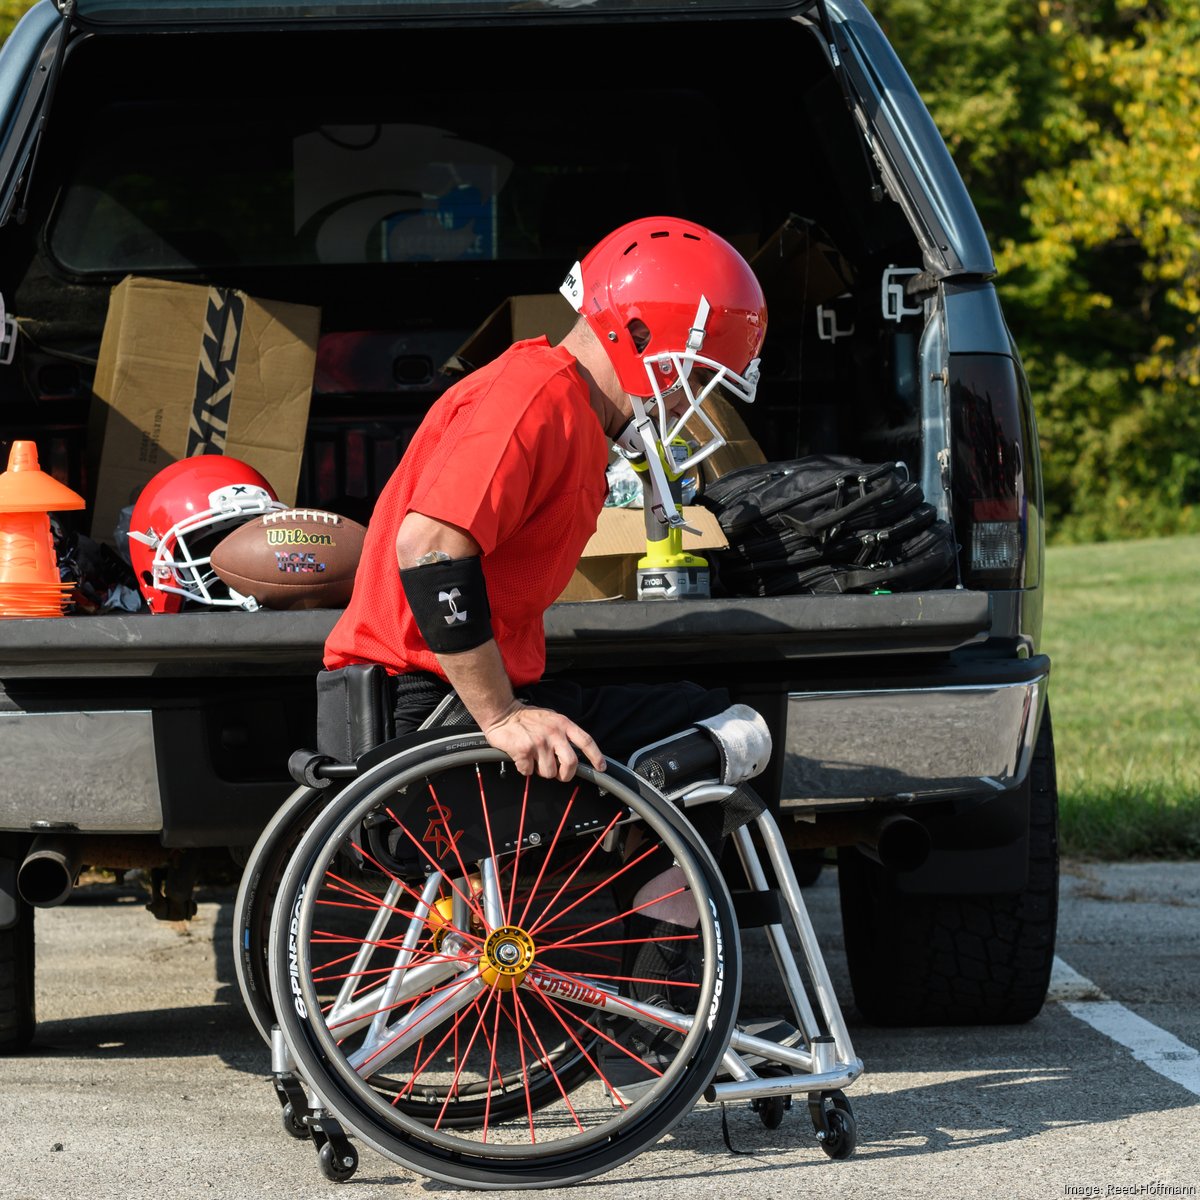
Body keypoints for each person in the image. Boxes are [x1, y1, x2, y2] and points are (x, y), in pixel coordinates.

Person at [322, 216, 772, 1007]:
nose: (688, 396)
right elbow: (430, 546)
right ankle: (665, 976)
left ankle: (663, 957)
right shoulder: (532, 399)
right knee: (733, 731)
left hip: (425, 705)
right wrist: (501, 716)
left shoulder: (570, 412)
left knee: (703, 716)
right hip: (427, 721)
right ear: (640, 337)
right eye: (691, 371)